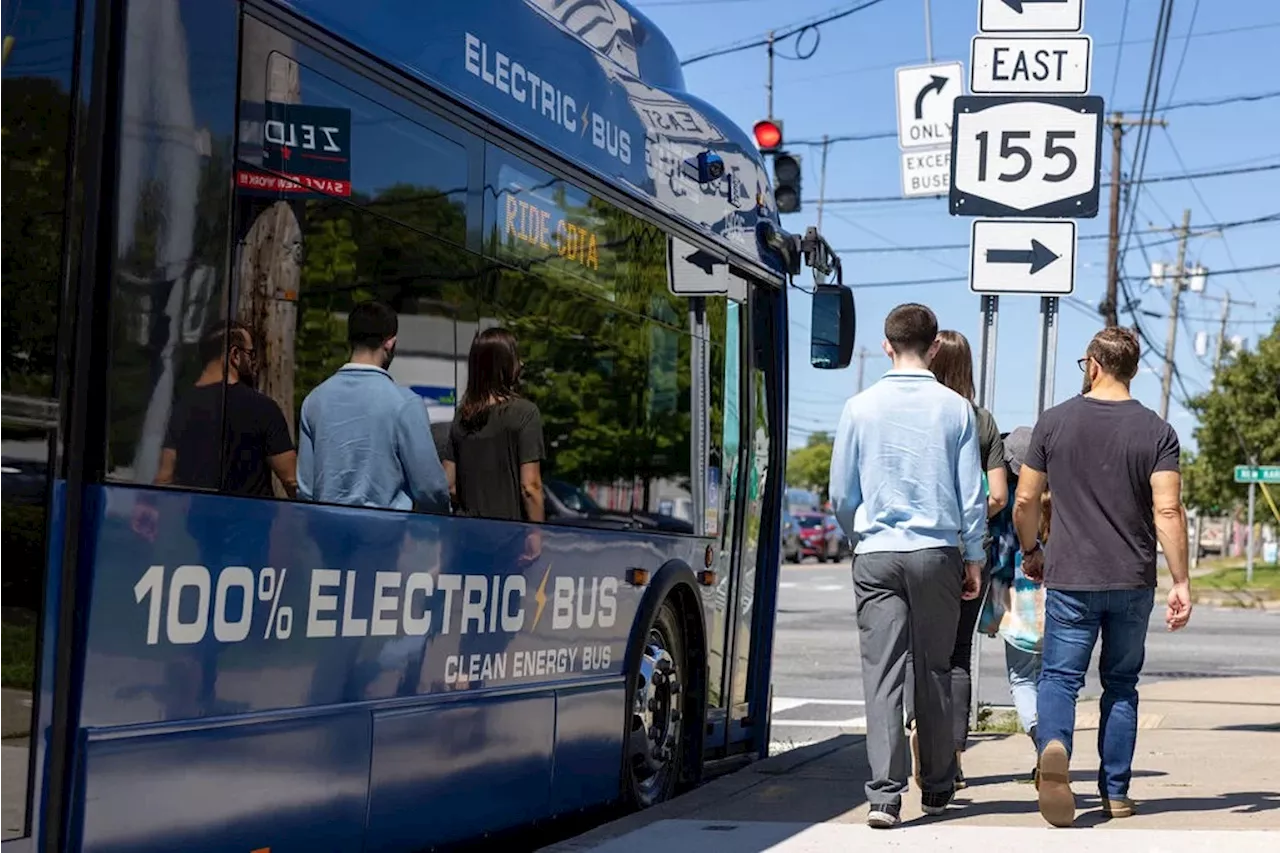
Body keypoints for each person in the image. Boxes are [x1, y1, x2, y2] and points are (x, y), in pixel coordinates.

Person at [1012, 326, 1192, 828]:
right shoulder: (1158, 431)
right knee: (1120, 684)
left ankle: (1053, 747)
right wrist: (1181, 581)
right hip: (1133, 579)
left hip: (1071, 577)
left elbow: (1025, 500)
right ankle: (1115, 793)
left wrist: (1032, 550)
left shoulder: (1054, 422)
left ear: (1092, 364)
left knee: (1059, 678)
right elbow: (1169, 511)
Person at [829, 303, 986, 829]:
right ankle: (938, 787)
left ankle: (884, 797)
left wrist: (859, 535)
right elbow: (971, 495)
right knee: (936, 670)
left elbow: (840, 493)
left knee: (882, 675)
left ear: (887, 343)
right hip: (938, 552)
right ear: (935, 345)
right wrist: (975, 557)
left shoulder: (859, 407)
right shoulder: (956, 409)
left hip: (875, 553)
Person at [906, 330, 1007, 791]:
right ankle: (952, 758)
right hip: (969, 551)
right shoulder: (981, 420)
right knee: (958, 654)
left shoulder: (912, 412)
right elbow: (999, 495)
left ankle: (916, 737)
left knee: (917, 653)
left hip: (912, 545)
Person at [297, 301, 449, 512]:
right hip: (385, 536)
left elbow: (305, 489)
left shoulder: (314, 401)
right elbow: (430, 488)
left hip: (327, 534)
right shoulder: (404, 403)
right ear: (390, 343)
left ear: (350, 339)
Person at [157, 321, 297, 497]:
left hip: (198, 519)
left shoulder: (182, 407)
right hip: (251, 521)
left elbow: (164, 477)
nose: (253, 363)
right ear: (235, 355)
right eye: (251, 354)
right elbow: (291, 479)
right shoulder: (262, 407)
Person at [442, 328, 545, 525]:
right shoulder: (525, 413)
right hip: (506, 538)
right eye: (515, 358)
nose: (521, 364)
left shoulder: (462, 415)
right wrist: (536, 534)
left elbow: (450, 485)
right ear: (503, 365)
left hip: (464, 535)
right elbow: (530, 487)